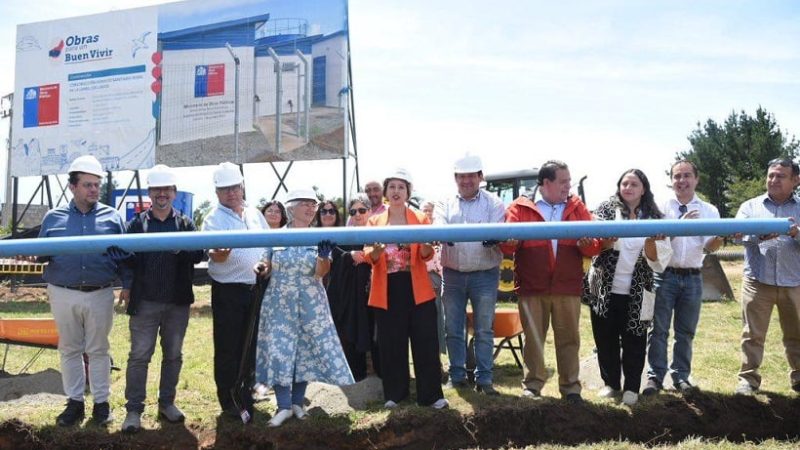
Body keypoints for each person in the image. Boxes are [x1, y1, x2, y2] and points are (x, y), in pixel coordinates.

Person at [37, 155, 131, 426]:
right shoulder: (53, 218)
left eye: (96, 185)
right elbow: (42, 252)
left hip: (100, 292)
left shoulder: (112, 217)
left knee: (99, 349)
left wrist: (128, 284)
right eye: (88, 185)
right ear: (73, 187)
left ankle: (102, 404)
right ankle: (75, 403)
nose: (93, 190)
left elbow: (124, 255)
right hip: (62, 291)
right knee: (69, 349)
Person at [255, 188, 354, 427]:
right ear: (291, 208)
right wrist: (260, 267)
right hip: (279, 302)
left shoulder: (318, 237)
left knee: (305, 352)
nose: (312, 209)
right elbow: (266, 263)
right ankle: (283, 406)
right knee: (279, 350)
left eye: (314, 205)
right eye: (306, 204)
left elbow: (321, 273)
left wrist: (322, 258)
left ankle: (297, 403)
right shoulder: (275, 236)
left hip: (311, 303)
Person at [502, 160, 600, 403]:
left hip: (567, 285)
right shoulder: (520, 208)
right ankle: (532, 386)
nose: (569, 186)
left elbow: (594, 247)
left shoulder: (578, 208)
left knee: (569, 339)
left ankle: (571, 389)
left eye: (569, 181)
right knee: (533, 340)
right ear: (546, 183)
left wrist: (587, 245)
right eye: (563, 181)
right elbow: (505, 243)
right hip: (532, 286)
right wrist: (512, 241)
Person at [119, 165, 204, 433]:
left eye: (166, 189)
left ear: (174, 193)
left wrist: (182, 249)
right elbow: (126, 259)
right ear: (150, 193)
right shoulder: (137, 224)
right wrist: (127, 285)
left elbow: (199, 254)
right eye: (157, 189)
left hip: (177, 303)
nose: (162, 194)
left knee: (173, 355)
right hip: (145, 303)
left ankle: (167, 403)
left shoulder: (185, 224)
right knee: (139, 356)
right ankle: (133, 410)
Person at [584, 169, 671, 406]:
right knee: (605, 339)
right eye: (624, 183)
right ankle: (611, 384)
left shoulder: (655, 219)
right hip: (604, 288)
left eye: (634, 184)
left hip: (638, 292)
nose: (628, 187)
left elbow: (657, 262)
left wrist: (652, 240)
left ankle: (632, 387)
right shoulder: (605, 210)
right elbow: (594, 246)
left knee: (635, 339)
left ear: (644, 188)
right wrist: (606, 240)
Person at [364, 168, 448, 409]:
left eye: (401, 187)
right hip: (388, 287)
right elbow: (370, 254)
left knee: (425, 340)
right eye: (392, 187)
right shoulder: (374, 220)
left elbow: (426, 253)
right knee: (391, 342)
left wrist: (423, 245)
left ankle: (431, 395)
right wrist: (378, 250)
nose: (396, 191)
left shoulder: (420, 218)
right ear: (386, 192)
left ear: (408, 192)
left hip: (416, 286)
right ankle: (395, 394)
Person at [644, 160, 723, 396]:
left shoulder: (709, 211)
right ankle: (655, 377)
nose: (682, 181)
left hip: (692, 277)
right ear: (671, 181)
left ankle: (680, 376)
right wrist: (679, 226)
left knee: (685, 331)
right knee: (657, 330)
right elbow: (654, 245)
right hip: (663, 275)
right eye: (677, 176)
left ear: (696, 179)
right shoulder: (658, 207)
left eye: (687, 175)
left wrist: (721, 237)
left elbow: (710, 247)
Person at [201, 162, 269, 418]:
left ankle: (247, 391)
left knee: (251, 344)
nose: (231, 193)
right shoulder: (213, 219)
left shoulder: (254, 214)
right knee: (228, 346)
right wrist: (220, 255)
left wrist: (265, 263)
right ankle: (228, 399)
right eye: (224, 189)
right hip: (228, 292)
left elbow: (267, 247)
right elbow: (215, 256)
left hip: (254, 288)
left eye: (234, 187)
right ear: (217, 192)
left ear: (242, 187)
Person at [435, 154, 505, 395]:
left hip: (485, 274)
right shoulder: (444, 203)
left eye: (471, 176)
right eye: (461, 176)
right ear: (455, 178)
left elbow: (494, 233)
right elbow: (440, 229)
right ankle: (457, 376)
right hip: (452, 274)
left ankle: (484, 379)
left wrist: (454, 235)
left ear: (480, 177)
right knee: (452, 328)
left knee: (484, 328)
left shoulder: (494, 203)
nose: (466, 180)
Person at [734, 158, 800, 395]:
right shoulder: (750, 207)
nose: (773, 180)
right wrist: (757, 237)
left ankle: (798, 378)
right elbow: (736, 235)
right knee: (752, 334)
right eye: (771, 175)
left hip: (795, 282)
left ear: (795, 180)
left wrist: (796, 233)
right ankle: (748, 379)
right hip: (757, 281)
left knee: (797, 334)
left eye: (781, 176)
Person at [326, 194, 379, 381]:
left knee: (377, 333)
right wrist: (349, 256)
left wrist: (365, 256)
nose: (358, 215)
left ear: (370, 211)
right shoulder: (343, 237)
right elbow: (336, 255)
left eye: (362, 210)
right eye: (353, 211)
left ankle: (381, 373)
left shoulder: (381, 232)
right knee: (352, 331)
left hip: (376, 294)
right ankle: (357, 373)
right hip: (353, 298)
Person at [422, 201, 447, 358]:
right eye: (424, 211)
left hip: (440, 283)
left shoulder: (440, 233)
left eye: (430, 211)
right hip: (421, 283)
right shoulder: (416, 233)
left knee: (440, 323)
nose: (427, 214)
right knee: (426, 326)